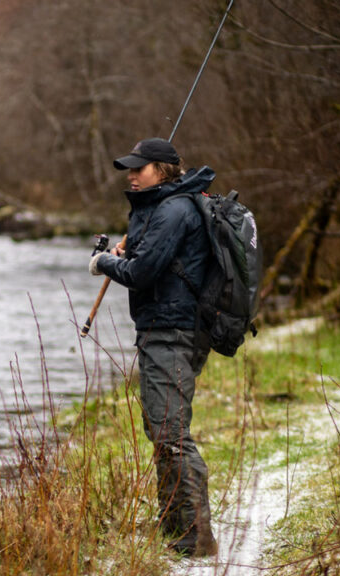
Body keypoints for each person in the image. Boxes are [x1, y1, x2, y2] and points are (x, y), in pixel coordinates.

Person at [88, 137, 218, 557]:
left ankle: (196, 540)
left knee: (171, 435)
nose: (131, 174)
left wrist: (105, 262)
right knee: (162, 432)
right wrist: (130, 246)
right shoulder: (164, 208)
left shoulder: (175, 209)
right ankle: (176, 531)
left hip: (172, 331)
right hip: (162, 331)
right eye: (130, 168)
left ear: (162, 170)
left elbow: (143, 273)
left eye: (139, 168)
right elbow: (155, 260)